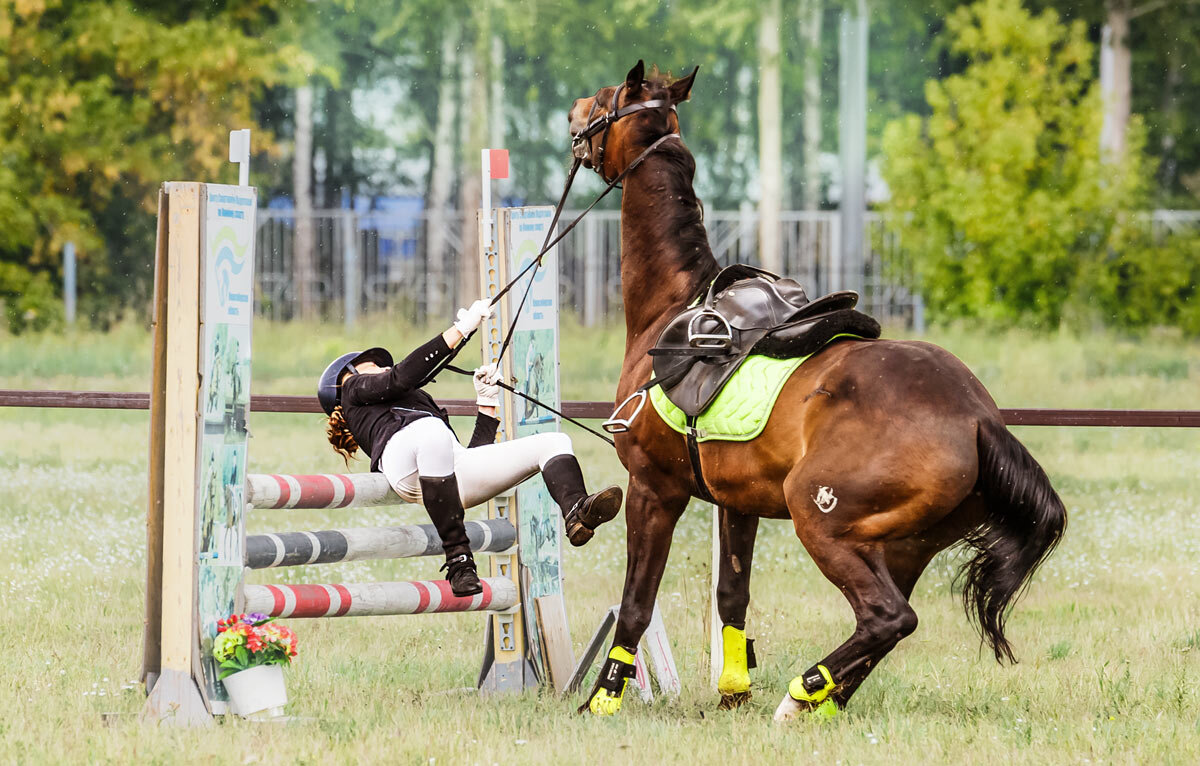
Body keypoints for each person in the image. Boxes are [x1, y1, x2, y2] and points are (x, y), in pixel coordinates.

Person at [317, 298, 623, 597]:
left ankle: (576, 511)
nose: (383, 367)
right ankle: (459, 559)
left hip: (441, 474)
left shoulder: (423, 414)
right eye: (372, 365)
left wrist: (486, 403)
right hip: (404, 466)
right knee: (432, 432)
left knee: (555, 441)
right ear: (350, 375)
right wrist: (462, 329)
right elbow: (402, 376)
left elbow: (467, 459)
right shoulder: (352, 391)